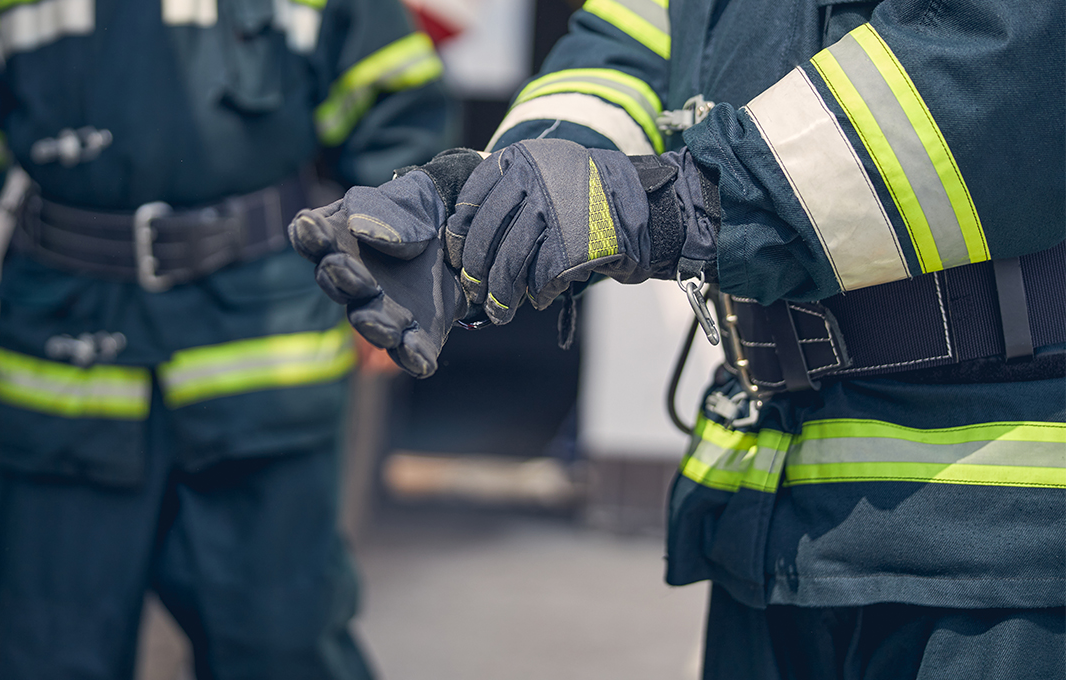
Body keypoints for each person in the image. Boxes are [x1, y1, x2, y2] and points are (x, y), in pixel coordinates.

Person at [288, 0, 1066, 677]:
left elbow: (1003, 64)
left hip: (999, 527)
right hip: (778, 505)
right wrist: (491, 201)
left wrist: (676, 202)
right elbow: (625, 43)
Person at [0, 0, 453, 676]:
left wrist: (390, 286)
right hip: (66, 375)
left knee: (282, 641)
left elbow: (397, 113)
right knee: (49, 651)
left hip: (264, 367)